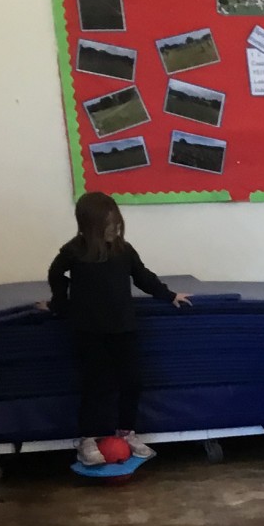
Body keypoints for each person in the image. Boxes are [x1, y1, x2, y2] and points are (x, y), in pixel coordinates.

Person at [41, 190, 191, 468]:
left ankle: (126, 432)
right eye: (107, 225)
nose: (114, 229)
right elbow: (55, 274)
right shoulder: (74, 251)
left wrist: (169, 295)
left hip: (123, 328)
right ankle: (87, 439)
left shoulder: (124, 250)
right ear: (90, 226)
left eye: (117, 224)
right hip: (89, 331)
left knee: (132, 381)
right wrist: (58, 303)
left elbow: (143, 276)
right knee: (96, 384)